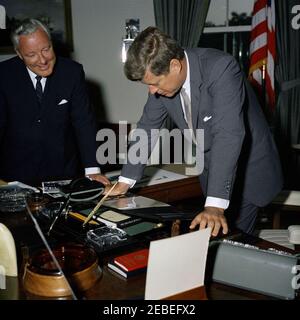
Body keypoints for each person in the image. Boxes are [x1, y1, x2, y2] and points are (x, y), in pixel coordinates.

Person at [105, 26, 283, 236]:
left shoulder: (221, 68)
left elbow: (228, 135)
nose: (151, 91)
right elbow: (147, 127)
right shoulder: (162, 86)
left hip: (247, 170)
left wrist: (215, 205)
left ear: (174, 66)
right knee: (215, 243)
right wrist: (125, 181)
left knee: (232, 245)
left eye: (155, 83)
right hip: (213, 171)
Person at [0, 19, 110, 186]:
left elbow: (84, 122)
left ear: (52, 43)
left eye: (46, 49)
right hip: (14, 174)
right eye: (31, 55)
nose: (42, 60)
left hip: (62, 172)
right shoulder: (3, 75)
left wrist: (92, 170)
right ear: (19, 53)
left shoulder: (71, 72)